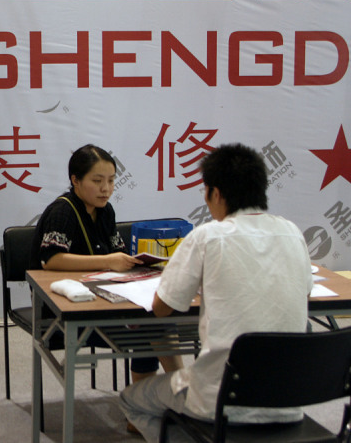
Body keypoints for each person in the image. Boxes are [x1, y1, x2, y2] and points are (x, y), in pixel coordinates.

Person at [119, 143, 314, 442]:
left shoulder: (208, 236)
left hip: (218, 399)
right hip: (287, 402)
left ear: (216, 193)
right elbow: (303, 293)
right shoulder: (292, 232)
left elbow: (162, 308)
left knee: (130, 400)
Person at [30, 144, 182, 386]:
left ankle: (154, 394)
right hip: (66, 308)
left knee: (156, 320)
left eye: (111, 181)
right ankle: (172, 392)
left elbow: (117, 251)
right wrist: (109, 261)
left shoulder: (105, 211)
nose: (106, 189)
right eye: (97, 181)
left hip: (107, 296)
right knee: (153, 326)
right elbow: (51, 260)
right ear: (76, 180)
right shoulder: (62, 211)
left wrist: (135, 261)